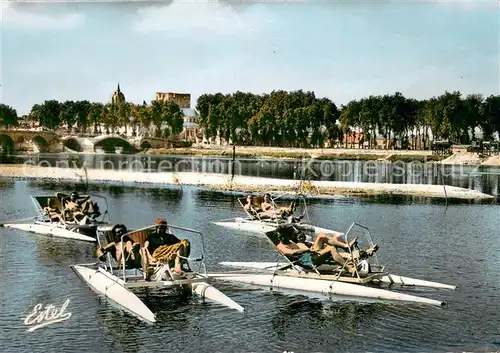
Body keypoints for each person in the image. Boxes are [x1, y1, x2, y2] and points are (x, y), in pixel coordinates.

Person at [276, 228, 360, 274]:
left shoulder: (289, 241)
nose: (281, 238)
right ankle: (349, 269)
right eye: (280, 237)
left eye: (283, 236)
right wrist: (305, 250)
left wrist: (308, 248)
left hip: (309, 253)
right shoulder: (280, 246)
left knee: (321, 236)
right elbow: (291, 252)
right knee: (331, 248)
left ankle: (346, 246)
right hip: (305, 259)